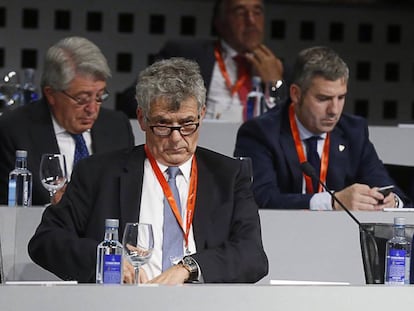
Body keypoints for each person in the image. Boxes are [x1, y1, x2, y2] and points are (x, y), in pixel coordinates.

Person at [28, 57, 268, 284]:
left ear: (202, 115)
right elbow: (46, 241)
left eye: (187, 124)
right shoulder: (98, 173)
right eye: (163, 125)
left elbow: (252, 255)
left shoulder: (228, 175)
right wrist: (106, 259)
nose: (176, 139)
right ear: (142, 119)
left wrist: (189, 268)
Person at [234, 46, 412, 210]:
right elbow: (260, 198)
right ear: (296, 94)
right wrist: (332, 201)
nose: (334, 110)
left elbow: (387, 186)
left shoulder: (353, 131)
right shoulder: (260, 133)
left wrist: (391, 201)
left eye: (340, 97)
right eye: (323, 98)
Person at [0, 36, 135, 206]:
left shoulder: (117, 127)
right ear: (51, 94)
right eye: (82, 99)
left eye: (100, 96)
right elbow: (7, 207)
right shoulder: (14, 130)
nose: (92, 109)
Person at [118, 0, 288, 121]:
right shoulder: (186, 53)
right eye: (240, 11)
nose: (251, 20)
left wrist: (275, 85)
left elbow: (292, 127)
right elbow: (132, 100)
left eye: (257, 12)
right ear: (219, 21)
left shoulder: (278, 67)